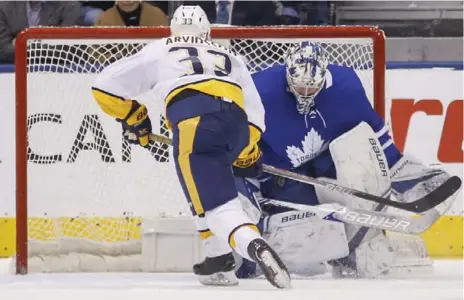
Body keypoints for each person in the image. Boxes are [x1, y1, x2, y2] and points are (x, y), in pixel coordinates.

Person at [90, 5, 291, 289]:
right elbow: (256, 117)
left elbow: (103, 87)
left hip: (194, 123)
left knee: (219, 207)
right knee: (199, 186)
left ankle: (253, 244)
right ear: (207, 31)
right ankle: (217, 259)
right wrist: (246, 152)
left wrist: (136, 117)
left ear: (173, 29)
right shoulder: (231, 57)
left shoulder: (161, 49)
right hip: (234, 123)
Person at [232, 42, 460, 279]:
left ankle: (358, 246)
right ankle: (248, 250)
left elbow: (372, 132)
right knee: (303, 250)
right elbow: (232, 145)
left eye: (312, 88)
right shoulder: (258, 90)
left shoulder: (345, 86)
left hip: (322, 168)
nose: (306, 94)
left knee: (359, 147)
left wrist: (399, 169)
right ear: (287, 75)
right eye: (299, 87)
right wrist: (247, 178)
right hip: (277, 178)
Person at [0, 1, 82, 63]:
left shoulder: (70, 7)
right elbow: (3, 51)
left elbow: (64, 52)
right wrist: (46, 43)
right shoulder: (3, 7)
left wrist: (23, 43)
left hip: (57, 74)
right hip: (12, 75)